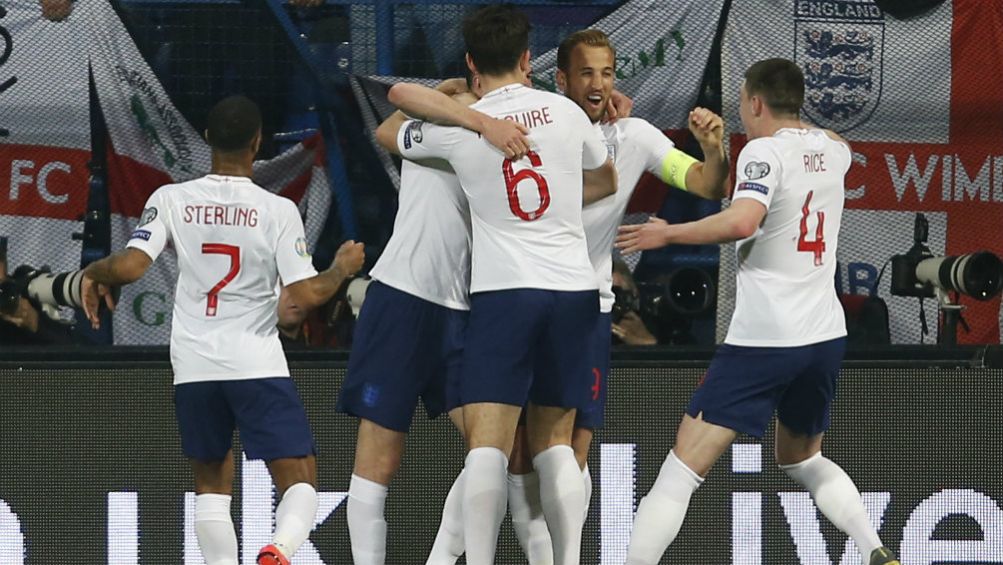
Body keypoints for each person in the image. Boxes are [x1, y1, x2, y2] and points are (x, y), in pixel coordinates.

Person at [615, 58, 900, 565]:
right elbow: (822, 142)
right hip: (824, 337)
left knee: (681, 468)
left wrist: (668, 233)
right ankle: (875, 548)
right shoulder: (835, 151)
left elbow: (744, 221)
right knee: (801, 457)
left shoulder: (764, 151)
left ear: (754, 102)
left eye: (745, 102)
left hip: (767, 336)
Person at [376, 6, 616, 565]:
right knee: (556, 444)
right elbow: (605, 178)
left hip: (505, 293)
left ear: (470, 62)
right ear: (529, 59)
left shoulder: (460, 131)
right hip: (574, 291)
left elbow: (392, 117)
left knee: (488, 446)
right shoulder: (566, 112)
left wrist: (474, 119)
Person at [81, 95, 366, 565]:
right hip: (255, 361)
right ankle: (279, 549)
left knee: (211, 482)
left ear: (208, 138)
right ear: (257, 143)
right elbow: (306, 295)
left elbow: (130, 266)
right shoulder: (275, 210)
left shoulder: (171, 199)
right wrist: (339, 270)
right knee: (300, 477)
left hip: (194, 366)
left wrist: (95, 273)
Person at [496, 28, 730, 564]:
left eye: (606, 73)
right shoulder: (535, 130)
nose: (599, 85)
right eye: (586, 73)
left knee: (572, 447)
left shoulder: (638, 137)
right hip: (518, 299)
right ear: (561, 80)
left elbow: (705, 184)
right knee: (513, 452)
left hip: (586, 308)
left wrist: (715, 148)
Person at [337, 72, 526, 565]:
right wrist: (451, 99)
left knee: (495, 450)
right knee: (379, 459)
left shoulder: (516, 131)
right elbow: (387, 126)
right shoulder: (449, 119)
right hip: (402, 298)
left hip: (466, 311)